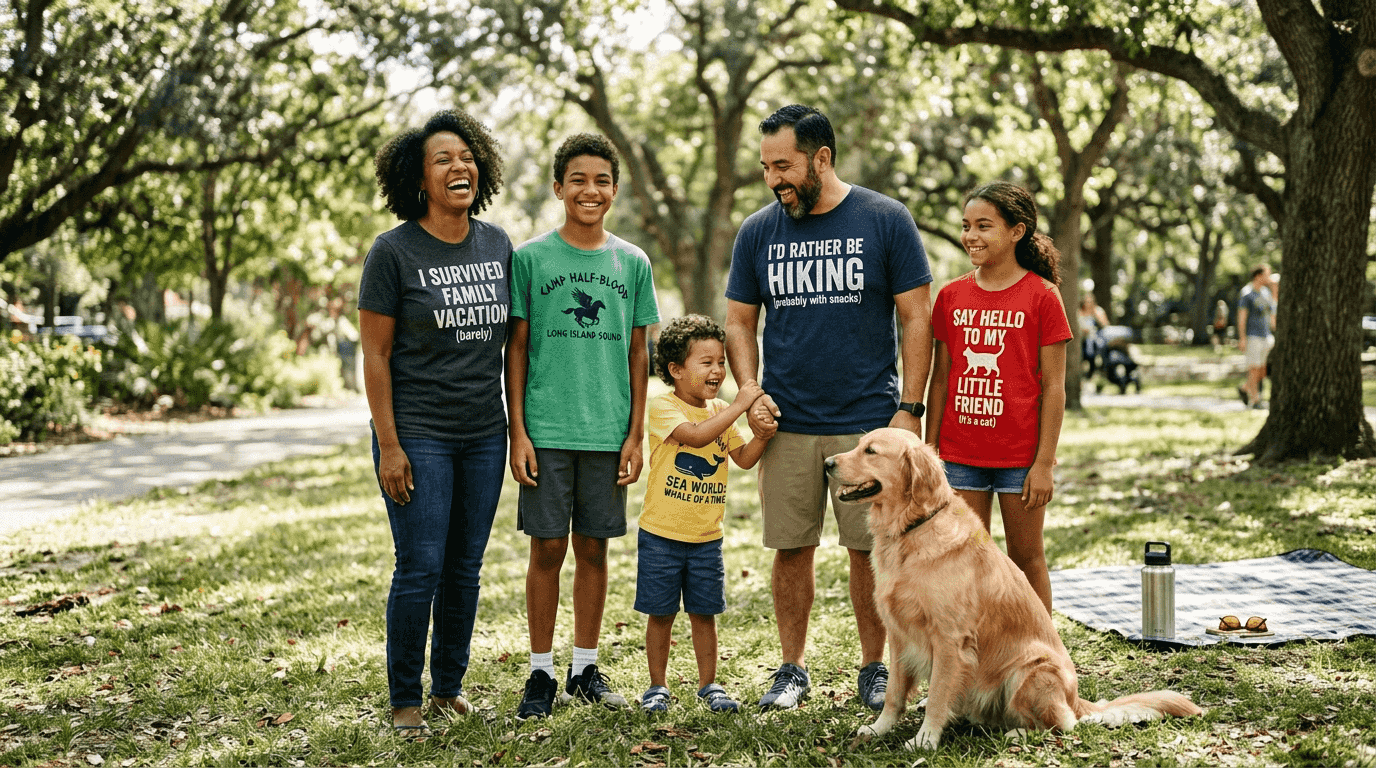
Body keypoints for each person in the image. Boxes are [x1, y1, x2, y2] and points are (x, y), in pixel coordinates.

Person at [724, 104, 934, 712]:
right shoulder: (758, 230)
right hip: (787, 422)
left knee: (869, 552)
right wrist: (751, 390)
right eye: (766, 167)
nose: (774, 180)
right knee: (791, 548)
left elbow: (916, 314)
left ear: (821, 158)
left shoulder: (885, 219)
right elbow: (740, 320)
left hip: (868, 422)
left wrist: (910, 408)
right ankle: (792, 668)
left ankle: (876, 669)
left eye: (784, 165)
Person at [357, 109, 512, 739]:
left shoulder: (498, 244)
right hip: (417, 432)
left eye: (467, 156)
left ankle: (448, 688)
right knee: (419, 565)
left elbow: (515, 347)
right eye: (443, 159)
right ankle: (404, 700)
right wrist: (390, 445)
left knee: (465, 567)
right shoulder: (393, 251)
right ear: (418, 178)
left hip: (483, 433)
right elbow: (375, 355)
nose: (460, 167)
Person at [507, 133, 661, 719]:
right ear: (558, 188)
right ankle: (541, 671)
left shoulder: (632, 263)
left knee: (593, 547)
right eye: (577, 179)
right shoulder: (531, 259)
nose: (589, 190)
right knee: (547, 547)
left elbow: (638, 354)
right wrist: (518, 431)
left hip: (606, 429)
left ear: (615, 190)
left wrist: (635, 432)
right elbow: (516, 351)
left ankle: (584, 667)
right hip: (546, 429)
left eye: (601, 180)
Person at [925, 181, 1072, 615]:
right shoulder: (951, 296)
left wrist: (1044, 463)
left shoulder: (1043, 295)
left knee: (1026, 559)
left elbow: (1054, 387)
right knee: (965, 561)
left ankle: (1044, 652)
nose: (971, 236)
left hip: (1020, 459)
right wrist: (932, 451)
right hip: (960, 454)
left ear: (1017, 231)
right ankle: (974, 656)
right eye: (966, 225)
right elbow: (940, 380)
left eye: (984, 226)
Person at [636, 315, 775, 714]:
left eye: (720, 362)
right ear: (676, 370)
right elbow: (696, 436)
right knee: (660, 613)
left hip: (705, 539)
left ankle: (709, 685)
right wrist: (739, 405)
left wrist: (762, 436)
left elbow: (744, 460)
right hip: (661, 535)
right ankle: (657, 686)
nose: (717, 370)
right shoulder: (664, 406)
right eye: (706, 363)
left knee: (704, 613)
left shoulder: (718, 410)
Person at [1236, 264, 1275, 409]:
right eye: (1267, 274)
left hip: (1266, 336)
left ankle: (1245, 388)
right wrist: (1242, 338)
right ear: (1258, 276)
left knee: (1263, 370)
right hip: (1253, 336)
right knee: (1253, 368)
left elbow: (1272, 312)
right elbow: (1242, 317)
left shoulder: (1265, 292)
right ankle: (1255, 400)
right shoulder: (1247, 293)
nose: (1269, 278)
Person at [1078, 293, 1108, 379]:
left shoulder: (1098, 310)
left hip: (1096, 338)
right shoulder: (1080, 312)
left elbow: (1105, 325)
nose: (1088, 304)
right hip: (1083, 339)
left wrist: (1096, 316)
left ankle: (1099, 366)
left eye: (1090, 302)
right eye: (1086, 302)